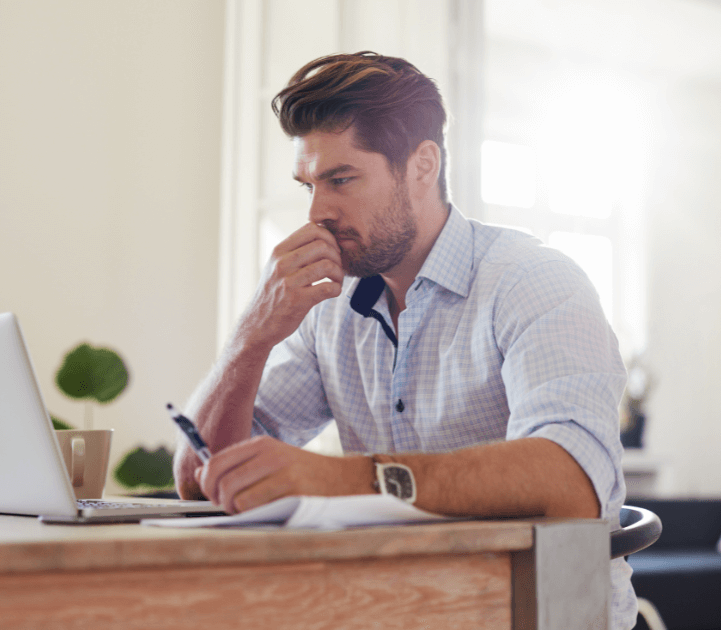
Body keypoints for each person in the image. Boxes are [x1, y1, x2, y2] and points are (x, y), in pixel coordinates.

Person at [173, 51, 635, 628]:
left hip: (536, 611)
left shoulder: (534, 281)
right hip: (395, 610)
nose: (317, 212)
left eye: (341, 180)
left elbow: (571, 482)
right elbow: (198, 475)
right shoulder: (330, 308)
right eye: (308, 185)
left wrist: (344, 480)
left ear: (422, 165)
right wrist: (252, 335)